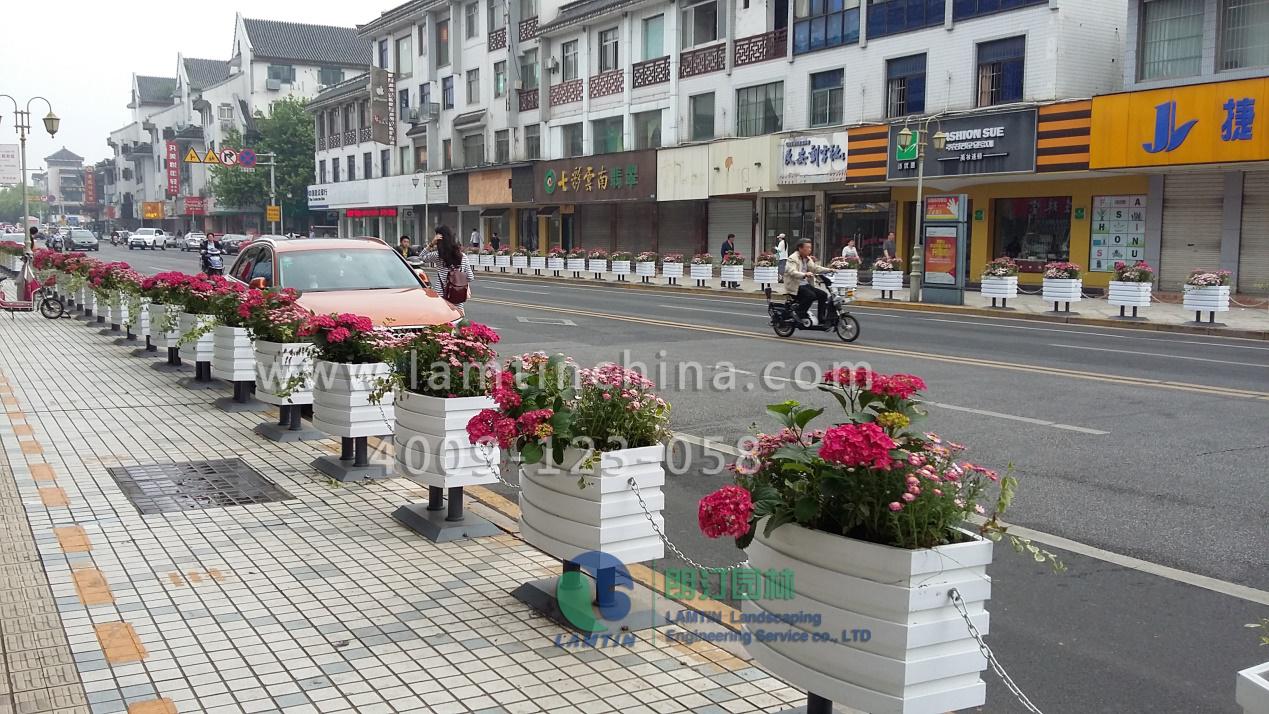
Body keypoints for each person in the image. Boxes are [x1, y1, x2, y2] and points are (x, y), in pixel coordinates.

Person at [422, 225, 475, 314]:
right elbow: (470, 277)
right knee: (457, 320)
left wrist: (431, 244)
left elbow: (421, 258)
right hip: (457, 298)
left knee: (442, 321)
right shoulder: (463, 256)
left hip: (441, 298)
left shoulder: (438, 256)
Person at [784, 238, 833, 324]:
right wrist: (804, 274)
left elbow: (815, 268)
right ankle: (799, 313)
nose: (810, 250)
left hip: (805, 285)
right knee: (810, 296)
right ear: (800, 248)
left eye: (810, 247)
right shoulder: (792, 258)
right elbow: (792, 272)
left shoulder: (807, 259)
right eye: (807, 247)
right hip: (795, 286)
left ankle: (821, 318)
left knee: (823, 295)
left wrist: (829, 270)